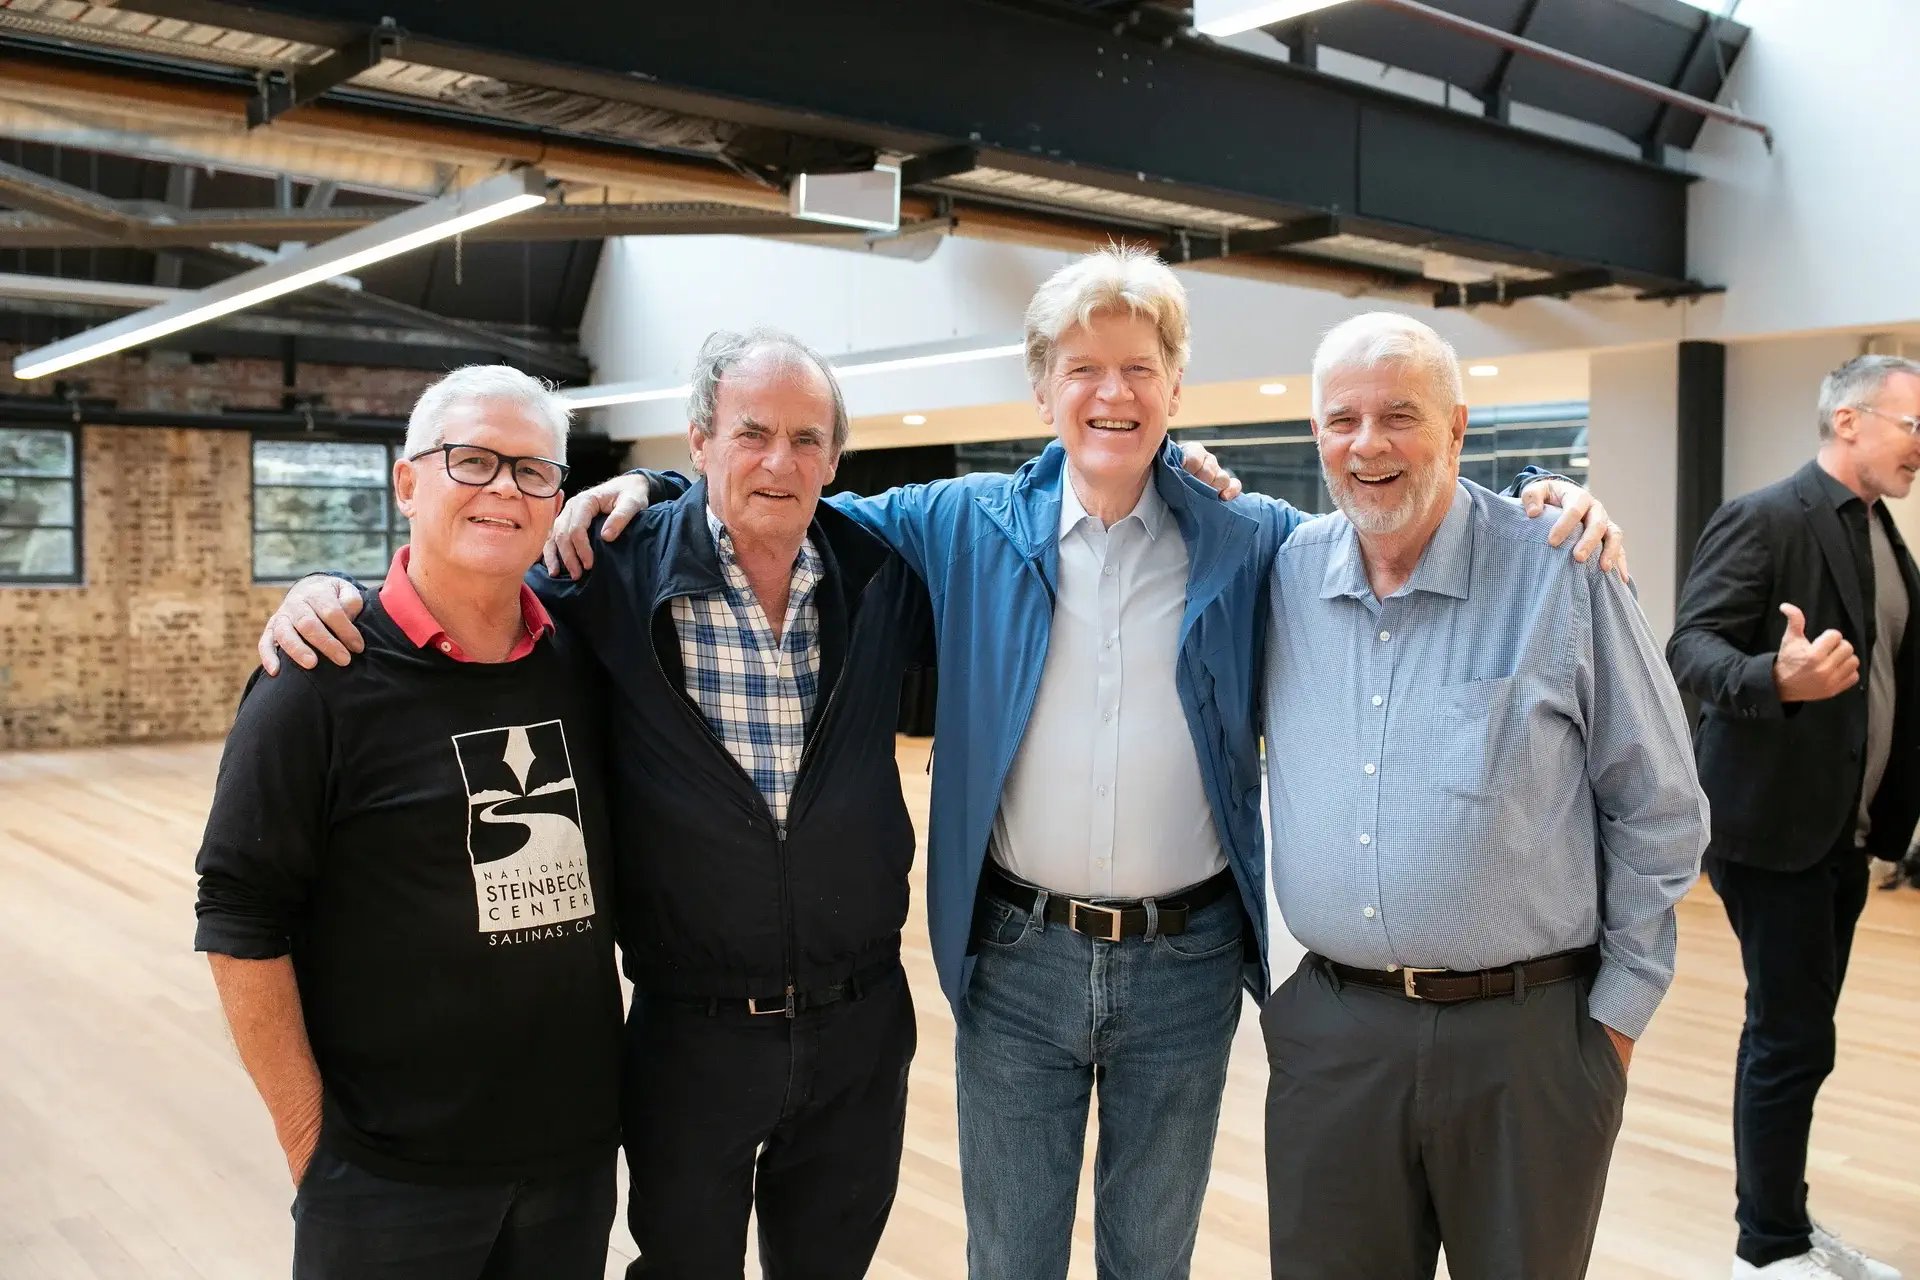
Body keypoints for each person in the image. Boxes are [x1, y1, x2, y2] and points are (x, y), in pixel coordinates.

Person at [549, 248, 1627, 1280]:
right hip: (1019, 959)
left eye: (1139, 369)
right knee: (1010, 1258)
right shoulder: (961, 522)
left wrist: (1546, 495)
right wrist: (648, 483)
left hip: (1188, 963)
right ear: (1042, 391)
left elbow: (1387, 506)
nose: (1113, 393)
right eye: (1083, 370)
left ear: (1173, 389)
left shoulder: (1250, 538)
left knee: (1150, 1260)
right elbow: (781, 500)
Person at [259, 330, 933, 1279]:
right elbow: (466, 583)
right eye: (750, 433)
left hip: (861, 1024)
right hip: (692, 1030)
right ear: (698, 441)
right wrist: (332, 594)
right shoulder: (602, 572)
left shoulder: (881, 569)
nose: (779, 462)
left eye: (806, 439)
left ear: (834, 458)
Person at [1255, 312, 1707, 1280]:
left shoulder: (1560, 566)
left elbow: (1661, 803)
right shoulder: (1283, 573)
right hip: (1333, 1035)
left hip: (1529, 1043)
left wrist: (1614, 1023)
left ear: (1457, 428)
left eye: (1400, 416)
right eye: (1342, 420)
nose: (1368, 445)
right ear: (1316, 434)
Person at [195, 366, 623, 1280]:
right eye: (472, 460)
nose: (504, 487)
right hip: (385, 1179)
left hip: (573, 1162)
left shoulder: (586, 659)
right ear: (406, 482)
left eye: (533, 470)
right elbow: (238, 914)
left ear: (556, 500)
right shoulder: (318, 678)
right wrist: (311, 1144)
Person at [1668, 354, 1920, 1280]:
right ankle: (1766, 1249)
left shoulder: (1882, 533)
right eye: (1913, 426)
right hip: (1773, 832)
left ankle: (1787, 1223)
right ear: (1849, 421)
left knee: (1802, 1038)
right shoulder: (1768, 517)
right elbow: (1689, 647)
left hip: (1842, 834)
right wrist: (1774, 678)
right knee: (1789, 1038)